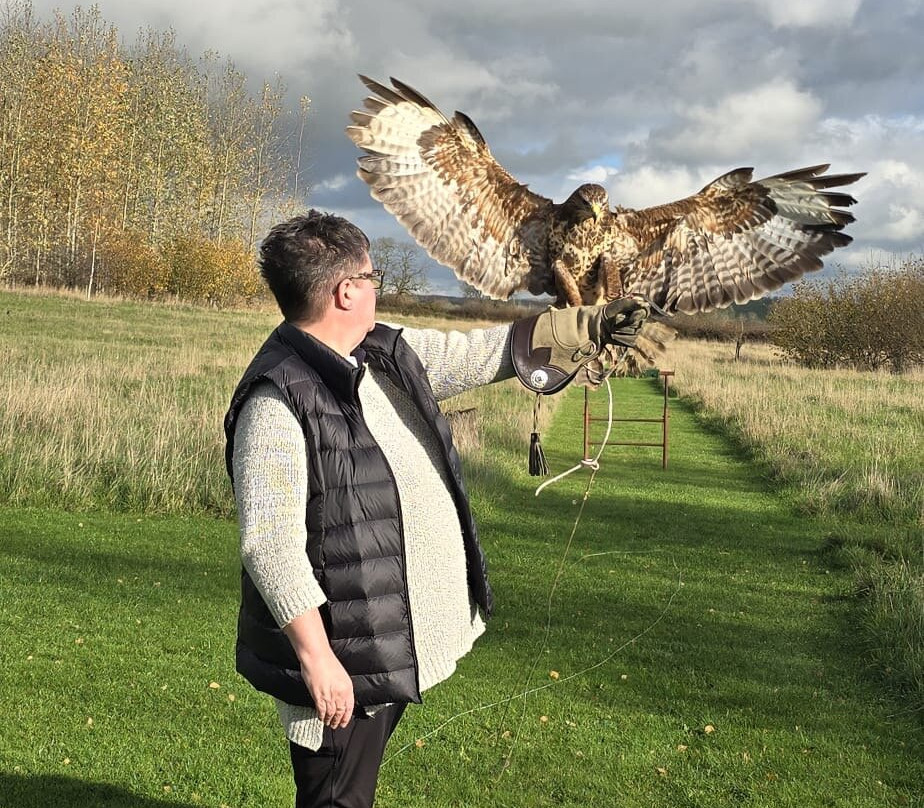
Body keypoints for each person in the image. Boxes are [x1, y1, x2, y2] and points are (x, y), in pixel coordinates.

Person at [223, 210, 648, 808]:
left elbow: (477, 354)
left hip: (379, 647)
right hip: (343, 665)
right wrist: (318, 661)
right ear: (347, 290)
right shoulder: (277, 399)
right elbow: (269, 546)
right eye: (372, 276)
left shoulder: (378, 353)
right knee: (336, 800)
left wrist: (585, 325)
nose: (377, 287)